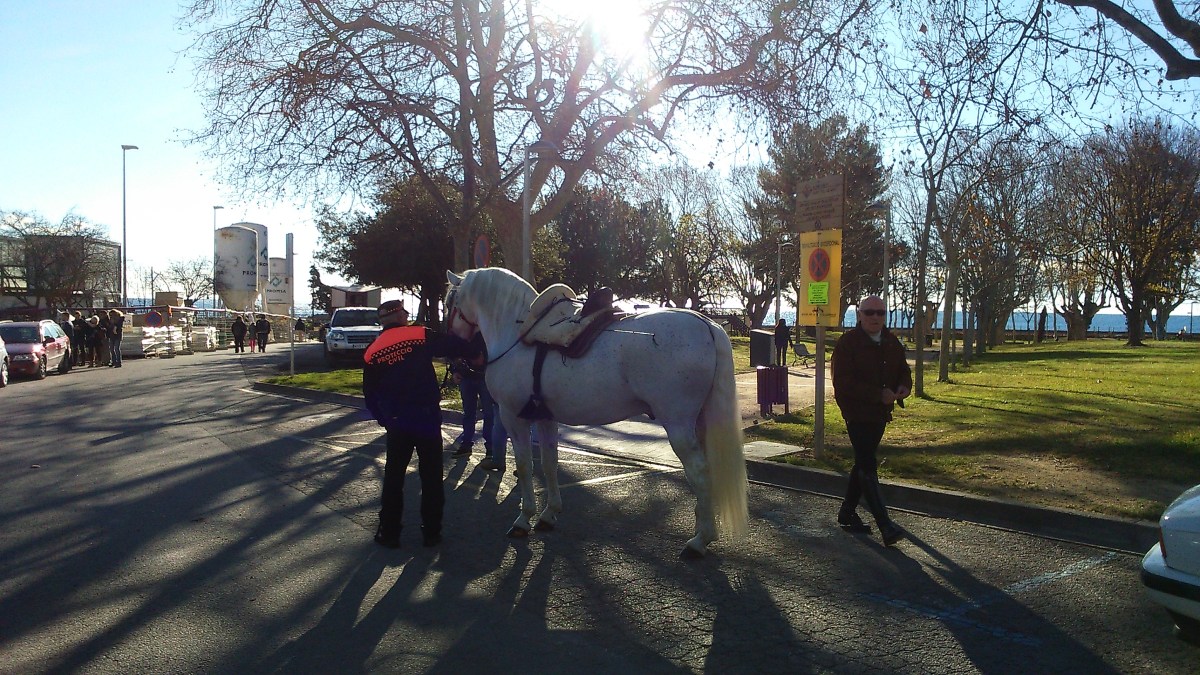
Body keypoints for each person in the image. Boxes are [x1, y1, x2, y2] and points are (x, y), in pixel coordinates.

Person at [363, 300, 471, 548]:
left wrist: (384, 419)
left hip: (398, 421)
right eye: (405, 312)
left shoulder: (373, 350)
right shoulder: (419, 334)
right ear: (400, 316)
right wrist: (475, 349)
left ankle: (389, 532)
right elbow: (453, 345)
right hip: (426, 418)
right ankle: (431, 532)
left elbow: (370, 393)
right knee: (431, 476)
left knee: (394, 477)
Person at [832, 295, 912, 546]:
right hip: (856, 413)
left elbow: (903, 370)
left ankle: (847, 512)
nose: (875, 317)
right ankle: (885, 525)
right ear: (859, 315)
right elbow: (842, 382)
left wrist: (904, 387)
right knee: (867, 464)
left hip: (880, 414)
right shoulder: (848, 343)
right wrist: (878, 394)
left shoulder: (891, 341)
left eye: (880, 312)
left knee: (862, 462)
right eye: (869, 312)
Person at [447, 332, 494, 459]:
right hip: (467, 376)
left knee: (489, 413)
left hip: (485, 376)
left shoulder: (485, 330)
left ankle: (490, 447)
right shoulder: (463, 333)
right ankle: (467, 444)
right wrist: (455, 370)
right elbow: (454, 353)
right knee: (469, 412)